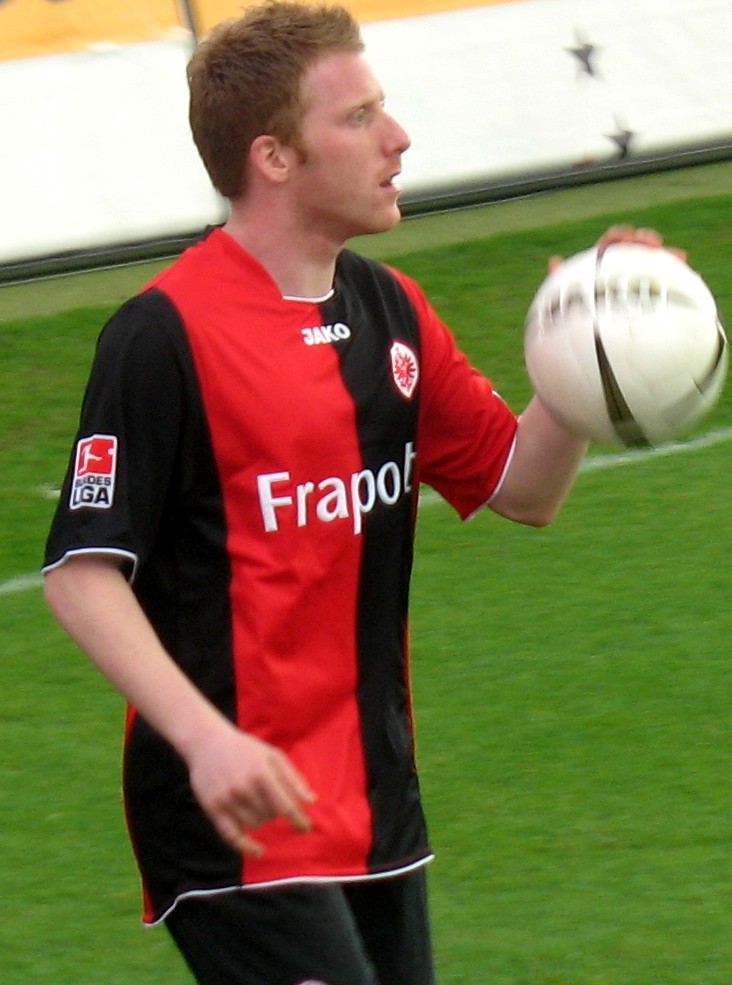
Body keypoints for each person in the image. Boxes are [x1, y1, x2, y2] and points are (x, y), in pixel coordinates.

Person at [42, 3, 669, 983]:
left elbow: (523, 488)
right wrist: (208, 743)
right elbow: (82, 575)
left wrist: (582, 359)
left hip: (377, 806)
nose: (397, 137)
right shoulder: (162, 336)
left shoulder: (391, 311)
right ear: (275, 158)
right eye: (358, 117)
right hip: (231, 820)